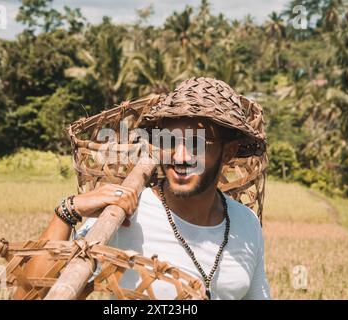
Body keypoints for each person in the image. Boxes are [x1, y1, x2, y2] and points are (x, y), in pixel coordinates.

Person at [14, 77, 270, 300]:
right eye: (171, 141)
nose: (180, 156)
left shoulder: (245, 224)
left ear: (229, 152)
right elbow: (31, 295)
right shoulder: (125, 216)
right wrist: (67, 211)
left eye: (197, 143)